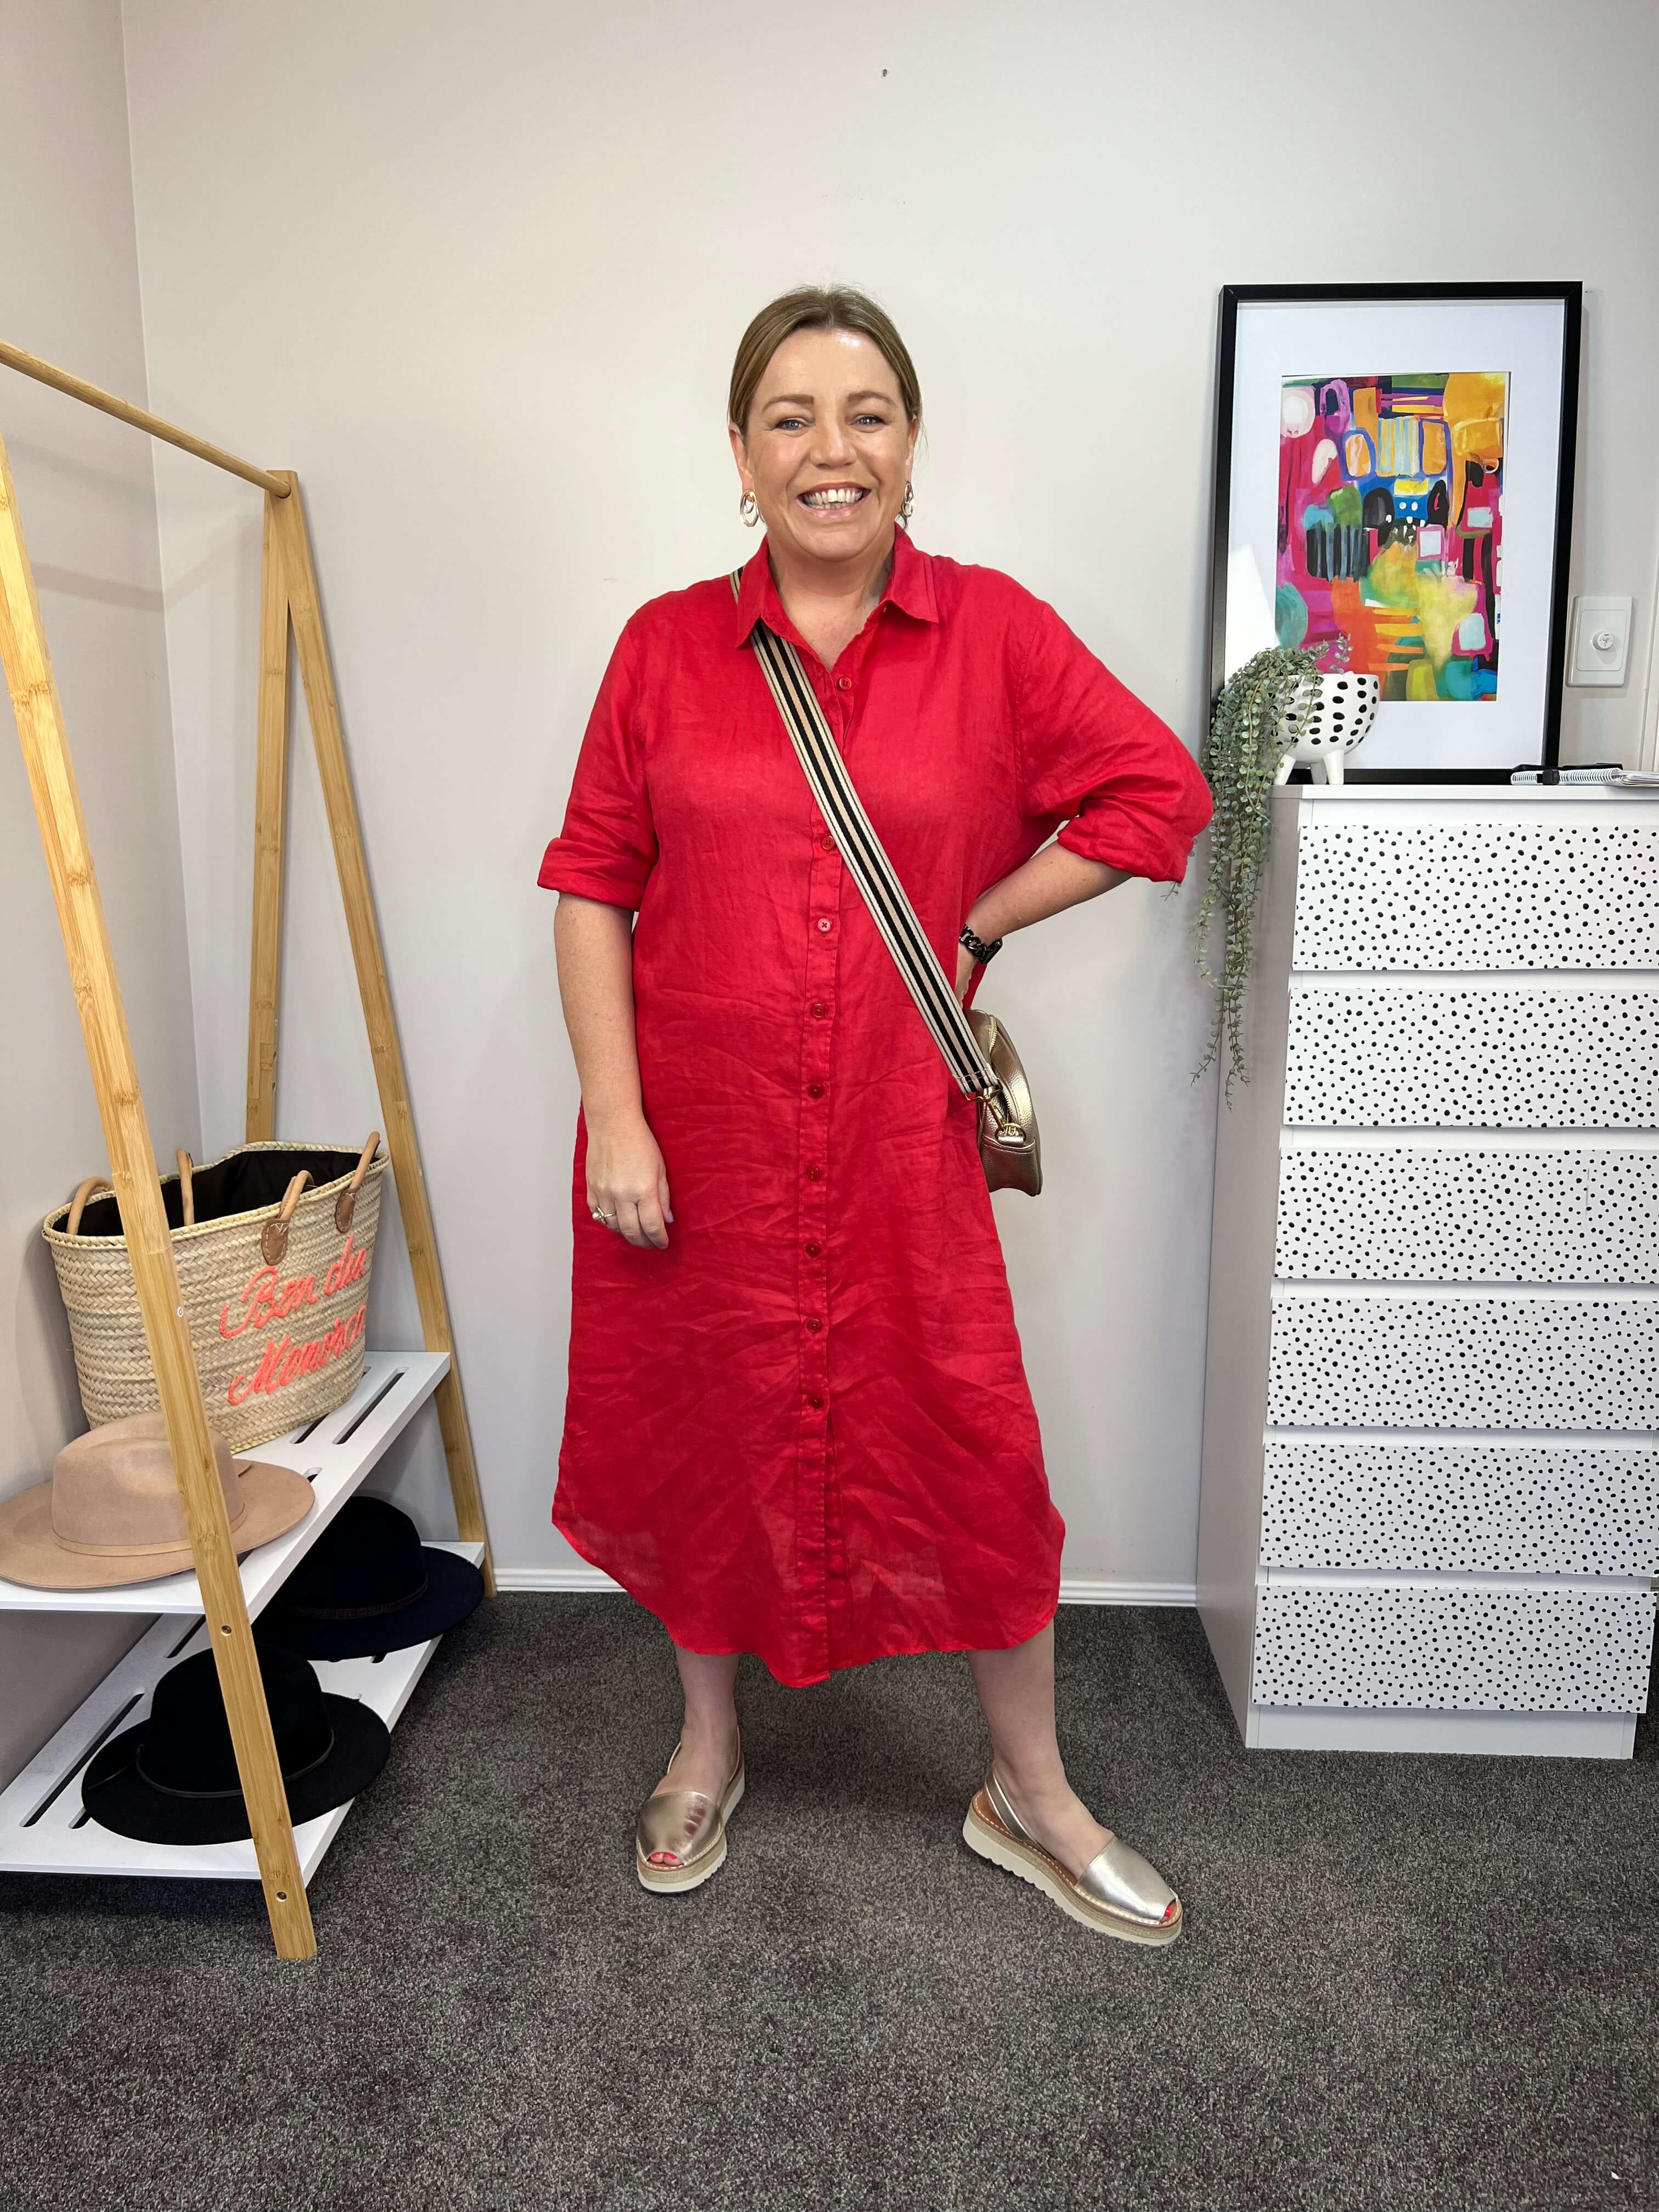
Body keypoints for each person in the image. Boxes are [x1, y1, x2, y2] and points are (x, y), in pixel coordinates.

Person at [539, 286, 1212, 1944]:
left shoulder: (995, 633)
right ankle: (707, 1745)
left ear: (912, 446)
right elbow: (587, 886)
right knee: (707, 1437)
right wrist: (613, 1114)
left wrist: (974, 921)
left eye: (865, 416)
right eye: (790, 417)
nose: (829, 451)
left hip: (899, 1144)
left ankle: (1027, 1794)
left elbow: (1160, 795)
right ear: (740, 451)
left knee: (973, 1448)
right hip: (694, 1136)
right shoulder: (662, 647)